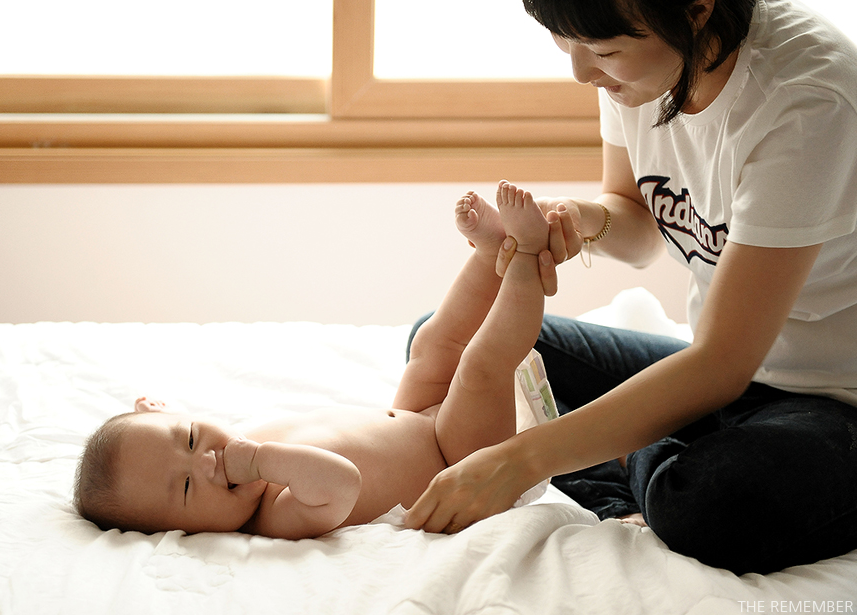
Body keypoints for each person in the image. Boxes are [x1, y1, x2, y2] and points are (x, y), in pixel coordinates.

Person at [403, 0, 857, 575]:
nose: (580, 71)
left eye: (602, 50)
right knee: (453, 342)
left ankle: (629, 454)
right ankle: (630, 465)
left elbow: (723, 363)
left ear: (695, 10)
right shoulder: (641, 70)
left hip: (833, 397)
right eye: (564, 41)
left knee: (705, 504)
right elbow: (637, 221)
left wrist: (519, 460)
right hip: (721, 372)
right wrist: (579, 218)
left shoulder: (807, 100)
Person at [74, 183, 551, 540]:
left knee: (432, 343)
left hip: (415, 417)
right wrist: (260, 460)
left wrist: (159, 417)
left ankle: (491, 252)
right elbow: (343, 483)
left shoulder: (225, 445)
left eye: (192, 436)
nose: (207, 461)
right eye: (184, 488)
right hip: (463, 465)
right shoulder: (275, 516)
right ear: (182, 532)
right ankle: (528, 254)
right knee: (479, 368)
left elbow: (168, 446)